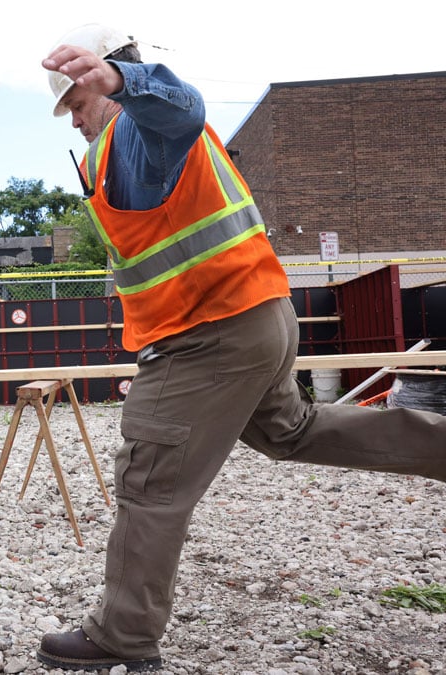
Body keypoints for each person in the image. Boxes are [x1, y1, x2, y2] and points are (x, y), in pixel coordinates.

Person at [34, 24, 446, 672]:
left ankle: (122, 636)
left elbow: (183, 108)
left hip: (209, 332)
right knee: (291, 430)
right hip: (256, 316)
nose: (76, 119)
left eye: (79, 103)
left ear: (109, 83)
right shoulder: (119, 152)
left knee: (150, 478)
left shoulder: (140, 133)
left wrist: (124, 81)